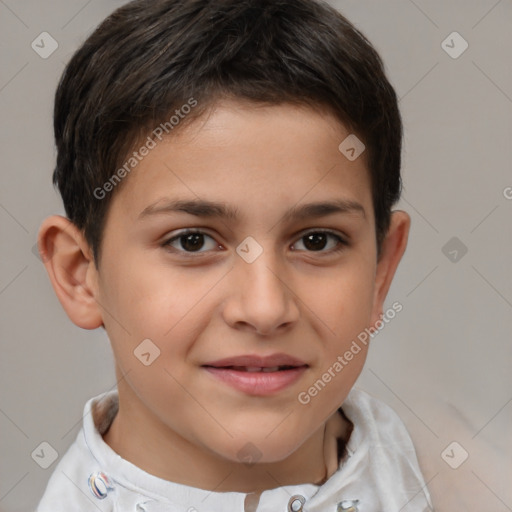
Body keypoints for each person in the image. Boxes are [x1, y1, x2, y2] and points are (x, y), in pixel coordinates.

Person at [36, 0, 434, 510]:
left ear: (381, 270)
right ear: (79, 275)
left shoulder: (461, 480)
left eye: (316, 240)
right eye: (192, 241)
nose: (265, 308)